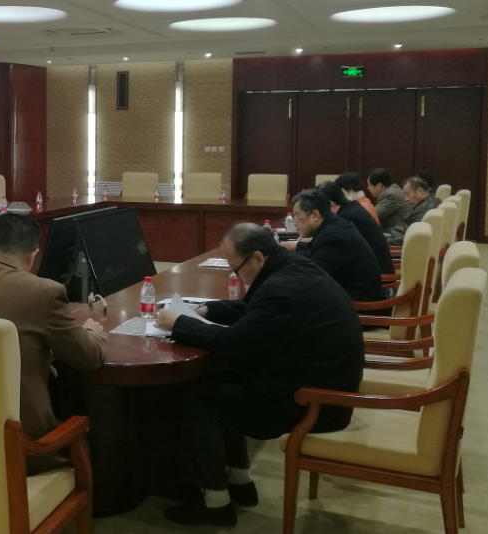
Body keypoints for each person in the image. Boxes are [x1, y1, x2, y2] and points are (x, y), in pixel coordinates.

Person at [154, 223, 363, 526]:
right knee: (224, 377)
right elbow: (253, 311)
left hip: (314, 402)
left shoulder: (281, 288)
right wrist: (205, 311)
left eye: (235, 268)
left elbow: (233, 343)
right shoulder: (292, 268)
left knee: (201, 400)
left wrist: (178, 324)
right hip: (318, 382)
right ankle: (240, 481)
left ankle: (215, 504)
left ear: (256, 258)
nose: (234, 274)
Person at [0, 213, 107, 475]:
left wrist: (41, 358)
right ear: (33, 255)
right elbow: (88, 358)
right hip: (23, 444)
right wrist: (93, 333)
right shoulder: (44, 292)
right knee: (95, 444)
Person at [283, 189, 384, 304]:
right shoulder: (333, 226)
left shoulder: (333, 235)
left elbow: (310, 276)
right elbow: (313, 252)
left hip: (360, 307)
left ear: (314, 215)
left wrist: (281, 264)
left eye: (297, 216)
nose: (294, 223)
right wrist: (287, 253)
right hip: (349, 298)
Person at [318, 182, 394, 275]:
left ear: (331, 205)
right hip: (374, 269)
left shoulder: (346, 217)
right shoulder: (351, 207)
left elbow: (332, 248)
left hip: (377, 275)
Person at [388, 177, 440, 246]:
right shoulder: (432, 201)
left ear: (419, 191)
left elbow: (411, 237)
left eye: (407, 194)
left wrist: (383, 242)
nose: (406, 199)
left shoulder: (424, 209)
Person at [366, 168, 411, 234]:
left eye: (370, 185)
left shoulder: (390, 195)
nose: (368, 188)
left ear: (379, 186)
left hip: (396, 234)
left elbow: (372, 215)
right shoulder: (392, 190)